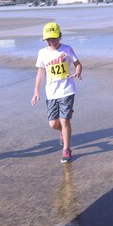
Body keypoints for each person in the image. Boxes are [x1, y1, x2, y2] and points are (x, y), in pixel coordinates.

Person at [31, 22, 83, 163]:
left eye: (54, 38)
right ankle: (62, 132)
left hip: (67, 90)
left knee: (65, 120)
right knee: (53, 124)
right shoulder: (42, 53)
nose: (52, 42)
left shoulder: (67, 49)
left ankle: (66, 149)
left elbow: (78, 64)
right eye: (48, 39)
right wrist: (36, 90)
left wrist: (77, 72)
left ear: (60, 37)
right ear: (44, 39)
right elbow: (41, 72)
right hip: (51, 93)